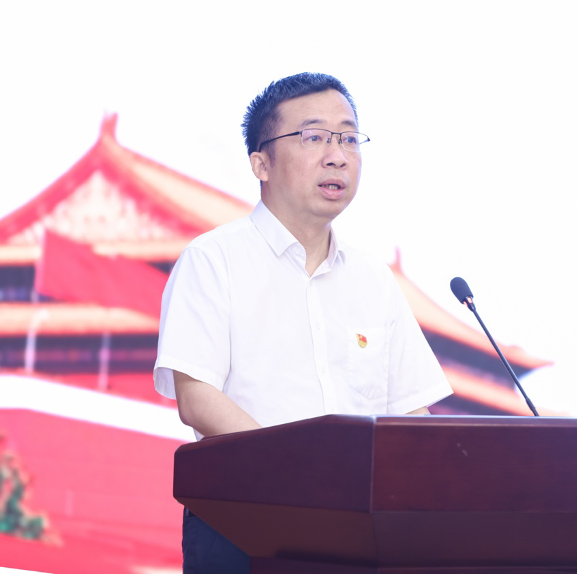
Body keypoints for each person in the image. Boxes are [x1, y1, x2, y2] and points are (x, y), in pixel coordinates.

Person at [153, 72, 452, 573]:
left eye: (349, 138)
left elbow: (410, 413)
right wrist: (297, 478)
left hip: (360, 531)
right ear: (261, 163)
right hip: (244, 522)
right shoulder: (213, 259)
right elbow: (197, 397)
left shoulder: (374, 280)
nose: (338, 156)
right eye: (314, 137)